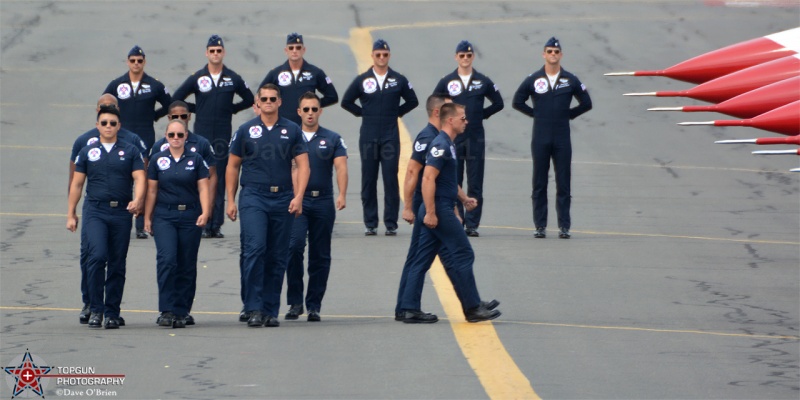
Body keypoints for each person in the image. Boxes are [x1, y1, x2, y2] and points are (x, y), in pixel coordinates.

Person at [398, 103, 500, 323]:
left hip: (441, 205)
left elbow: (447, 181)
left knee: (422, 258)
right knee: (463, 254)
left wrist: (463, 199)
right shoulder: (440, 145)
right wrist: (431, 212)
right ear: (450, 120)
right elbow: (428, 178)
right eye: (462, 118)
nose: (466, 121)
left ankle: (409, 308)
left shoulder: (448, 144)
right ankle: (472, 308)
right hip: (439, 208)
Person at [226, 83, 309, 328]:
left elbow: (303, 165)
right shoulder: (245, 130)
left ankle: (270, 310)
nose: (269, 102)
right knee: (255, 248)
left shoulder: (292, 129)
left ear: (280, 102)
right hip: (254, 196)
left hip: (283, 197)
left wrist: (299, 196)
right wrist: (230, 200)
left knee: (277, 255)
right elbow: (232, 166)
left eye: (273, 98)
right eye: (265, 99)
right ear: (258, 103)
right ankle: (253, 307)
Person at [68, 95, 149, 326]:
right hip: (95, 210)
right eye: (104, 123)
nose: (108, 127)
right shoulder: (87, 151)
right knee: (96, 257)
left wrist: (138, 199)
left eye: (113, 123)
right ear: (97, 125)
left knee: (117, 262)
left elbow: (140, 177)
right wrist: (71, 212)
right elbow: (77, 184)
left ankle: (112, 312)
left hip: (121, 212)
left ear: (119, 126)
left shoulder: (130, 150)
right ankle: (96, 309)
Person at [173, 34, 255, 239]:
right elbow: (176, 98)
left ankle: (215, 224)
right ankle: (200, 221)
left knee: (217, 177)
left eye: (219, 51)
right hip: (201, 133)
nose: (215, 54)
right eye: (212, 51)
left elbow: (249, 99)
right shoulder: (198, 78)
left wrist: (232, 109)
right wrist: (197, 109)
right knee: (199, 176)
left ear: (223, 53)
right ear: (206, 53)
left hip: (222, 134)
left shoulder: (232, 78)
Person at [512, 37, 592, 239]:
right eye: (549, 51)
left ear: (561, 55)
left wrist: (569, 115)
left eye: (556, 52)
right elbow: (517, 101)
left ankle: (564, 226)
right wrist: (536, 114)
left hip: (562, 138)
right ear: (544, 54)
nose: (553, 54)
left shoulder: (570, 79)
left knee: (563, 182)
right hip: (541, 137)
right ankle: (540, 225)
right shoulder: (534, 79)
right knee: (539, 183)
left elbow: (586, 102)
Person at [341, 39, 419, 236]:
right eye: (378, 54)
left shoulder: (398, 80)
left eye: (385, 54)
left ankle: (391, 223)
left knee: (390, 179)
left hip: (390, 136)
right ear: (372, 56)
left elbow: (413, 100)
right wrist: (363, 113)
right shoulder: (362, 80)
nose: (382, 57)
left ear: (389, 56)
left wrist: (397, 113)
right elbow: (346, 101)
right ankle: (370, 223)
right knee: (368, 179)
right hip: (368, 136)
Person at [284, 92, 348, 322]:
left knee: (320, 254)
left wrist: (342, 194)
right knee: (294, 247)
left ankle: (314, 305)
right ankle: (295, 302)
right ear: (299, 112)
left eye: (314, 109)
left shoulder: (332, 138)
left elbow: (341, 167)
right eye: (306, 109)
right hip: (297, 201)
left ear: (320, 111)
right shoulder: (290, 137)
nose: (310, 113)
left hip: (322, 201)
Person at [432, 40, 504, 237]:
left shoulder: (482, 81)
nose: (465, 58)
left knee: (475, 180)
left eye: (468, 55)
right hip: (454, 138)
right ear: (456, 57)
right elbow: (435, 103)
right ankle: (457, 220)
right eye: (462, 55)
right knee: (454, 179)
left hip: (475, 137)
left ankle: (472, 224)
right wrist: (445, 122)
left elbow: (498, 103)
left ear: (473, 57)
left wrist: (481, 115)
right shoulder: (447, 81)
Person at [144, 119, 211, 328]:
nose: (175, 138)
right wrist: (147, 217)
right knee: (167, 259)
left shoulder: (196, 159)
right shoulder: (157, 159)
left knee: (186, 263)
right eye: (171, 135)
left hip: (190, 215)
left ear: (186, 137)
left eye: (180, 135)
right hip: (165, 215)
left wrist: (206, 212)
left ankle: (182, 311)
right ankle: (166, 309)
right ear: (166, 136)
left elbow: (203, 188)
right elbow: (152, 190)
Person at [103, 45, 171, 239]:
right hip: (121, 137)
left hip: (145, 137)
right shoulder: (117, 84)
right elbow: (104, 104)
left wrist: (154, 116)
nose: (136, 64)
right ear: (127, 62)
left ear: (144, 62)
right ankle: (121, 220)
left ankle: (141, 224)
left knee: (144, 180)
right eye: (132, 61)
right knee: (122, 179)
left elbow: (169, 104)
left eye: (139, 61)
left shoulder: (154, 85)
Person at [258, 33, 338, 126]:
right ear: (286, 50)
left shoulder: (315, 72)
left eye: (298, 47)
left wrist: (312, 105)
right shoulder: (276, 73)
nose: (294, 51)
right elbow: (260, 95)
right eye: (291, 48)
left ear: (304, 50)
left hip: (306, 126)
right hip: (281, 125)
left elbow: (332, 96)